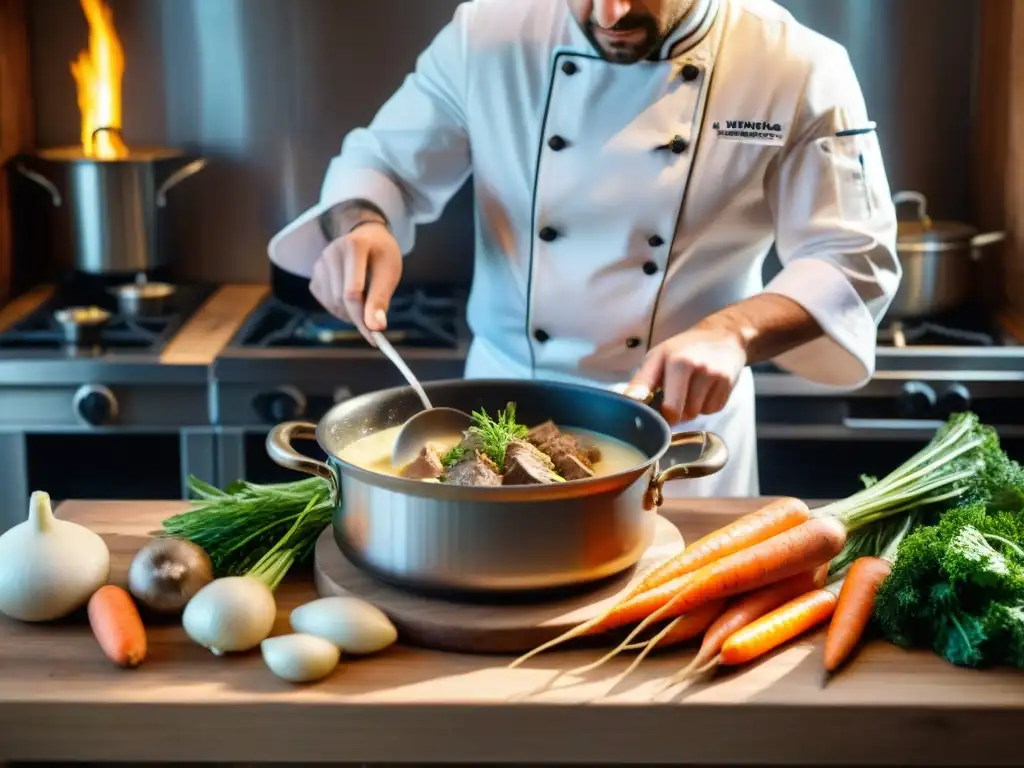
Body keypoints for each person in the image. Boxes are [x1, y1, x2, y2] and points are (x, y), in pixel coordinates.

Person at [268, 0, 901, 497]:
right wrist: (361, 226)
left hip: (681, 433)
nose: (609, 13)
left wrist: (733, 332)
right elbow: (381, 165)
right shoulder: (485, 34)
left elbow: (853, 257)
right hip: (491, 418)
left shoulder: (795, 64)